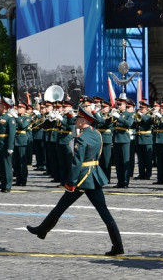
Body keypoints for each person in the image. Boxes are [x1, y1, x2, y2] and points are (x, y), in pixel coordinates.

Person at [26, 106, 124, 256]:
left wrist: (71, 182)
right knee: (104, 212)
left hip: (82, 178)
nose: (76, 120)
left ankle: (42, 230)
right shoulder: (96, 134)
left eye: (78, 118)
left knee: (61, 206)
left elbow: (76, 162)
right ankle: (118, 245)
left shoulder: (82, 138)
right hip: (94, 176)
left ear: (84, 120)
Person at [0, 97, 16, 193]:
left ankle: (8, 186)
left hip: (5, 145)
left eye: (1, 105)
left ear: (5, 107)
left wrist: (10, 146)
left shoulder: (9, 117)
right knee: (1, 167)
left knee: (7, 166)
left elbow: (12, 133)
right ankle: (2, 185)